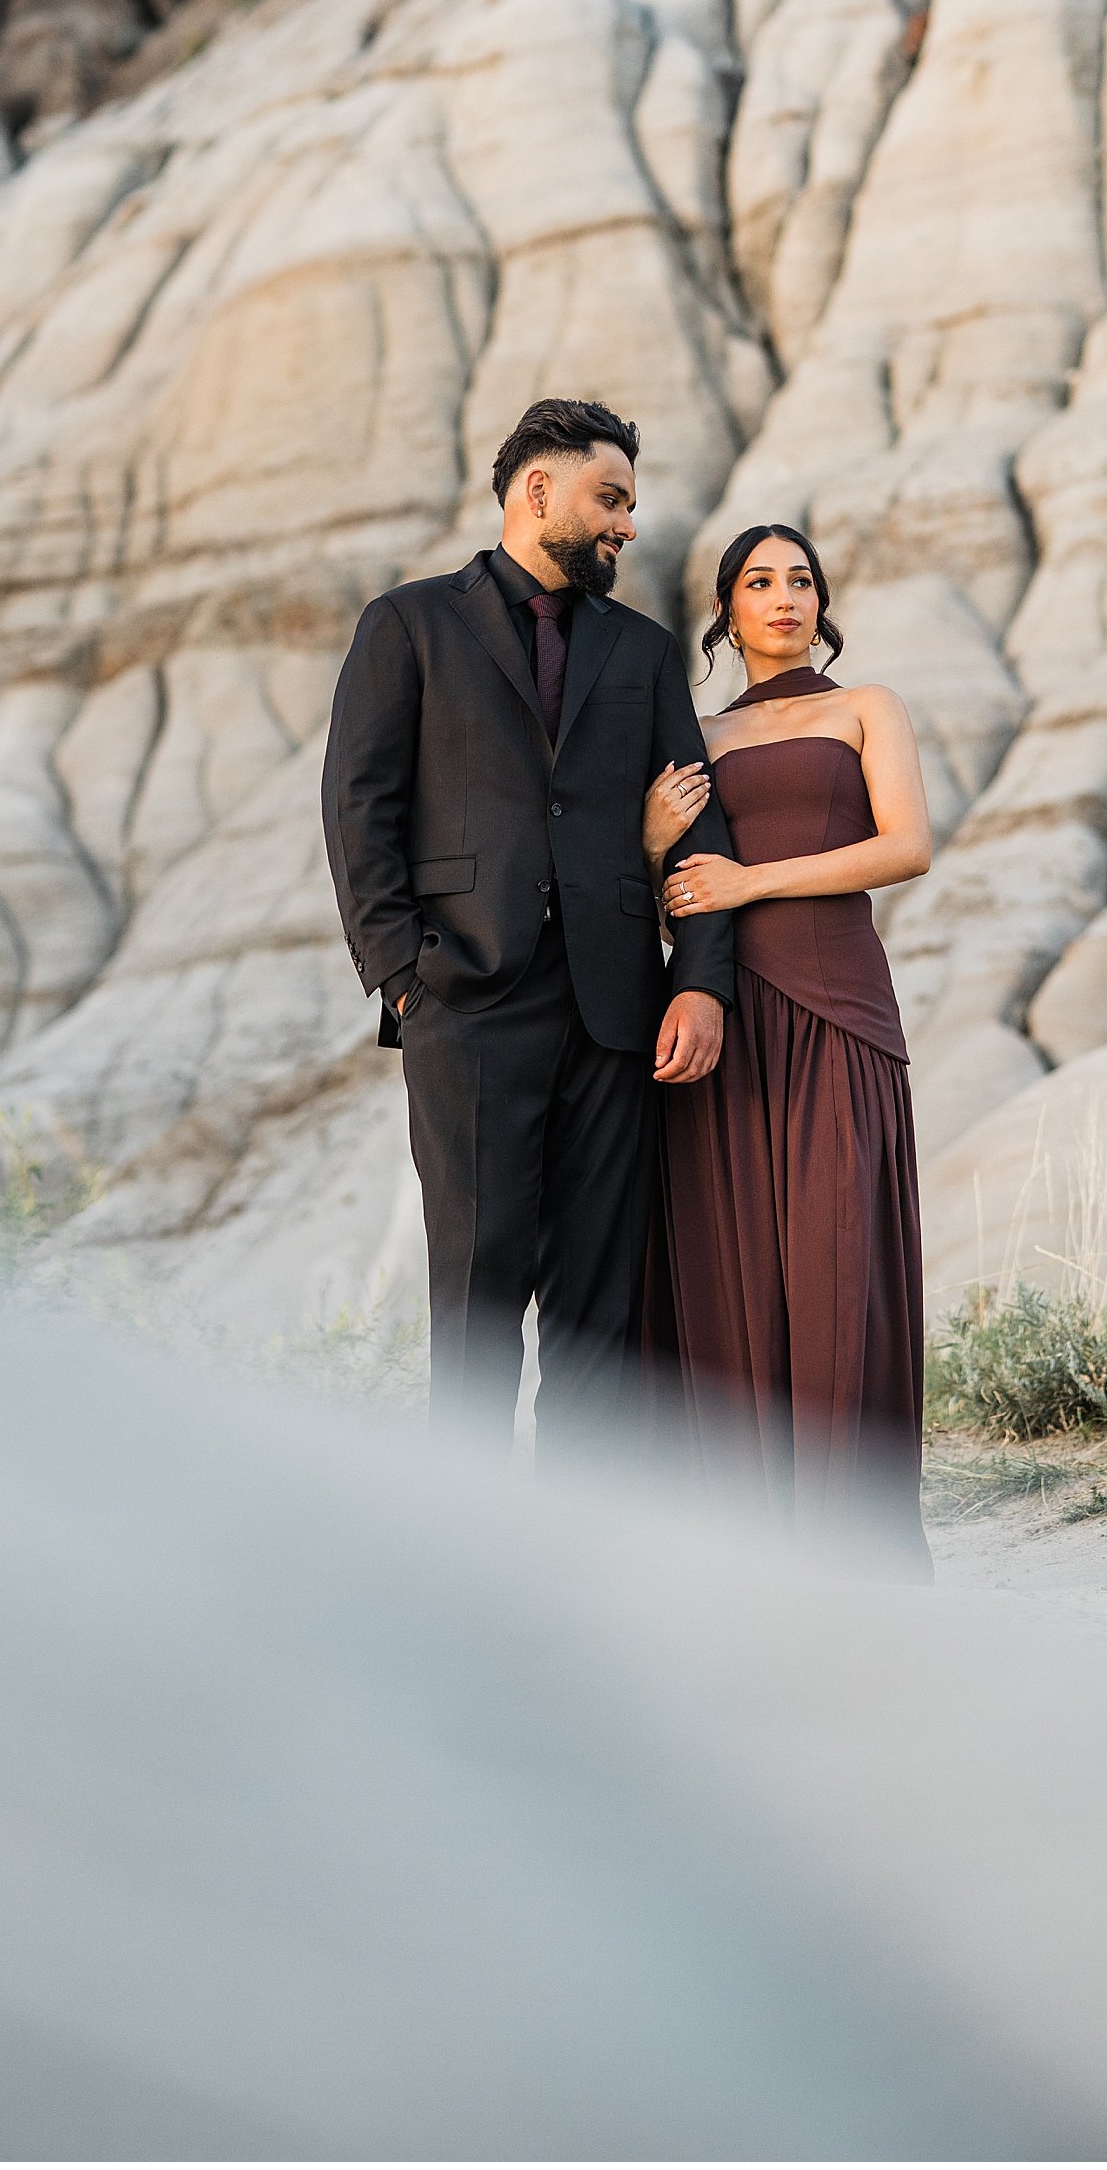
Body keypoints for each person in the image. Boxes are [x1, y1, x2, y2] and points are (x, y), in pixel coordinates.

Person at [321, 398, 735, 1457]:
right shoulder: (408, 623)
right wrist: (403, 972)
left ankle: (578, 1560)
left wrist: (699, 981)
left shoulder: (640, 652)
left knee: (598, 1304)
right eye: (611, 499)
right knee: (474, 1286)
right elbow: (356, 806)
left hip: (614, 1013)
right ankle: (469, 1561)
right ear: (536, 492)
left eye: (633, 506)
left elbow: (696, 823)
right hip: (463, 1001)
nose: (628, 526)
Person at [642, 525, 934, 1572]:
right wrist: (645, 848)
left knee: (834, 1261)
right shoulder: (695, 737)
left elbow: (906, 846)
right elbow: (668, 894)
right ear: (725, 609)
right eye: (758, 582)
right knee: (732, 1272)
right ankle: (753, 1554)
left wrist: (749, 882)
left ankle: (854, 1548)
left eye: (800, 580)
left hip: (839, 1009)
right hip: (721, 1017)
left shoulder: (865, 707)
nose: (782, 597)